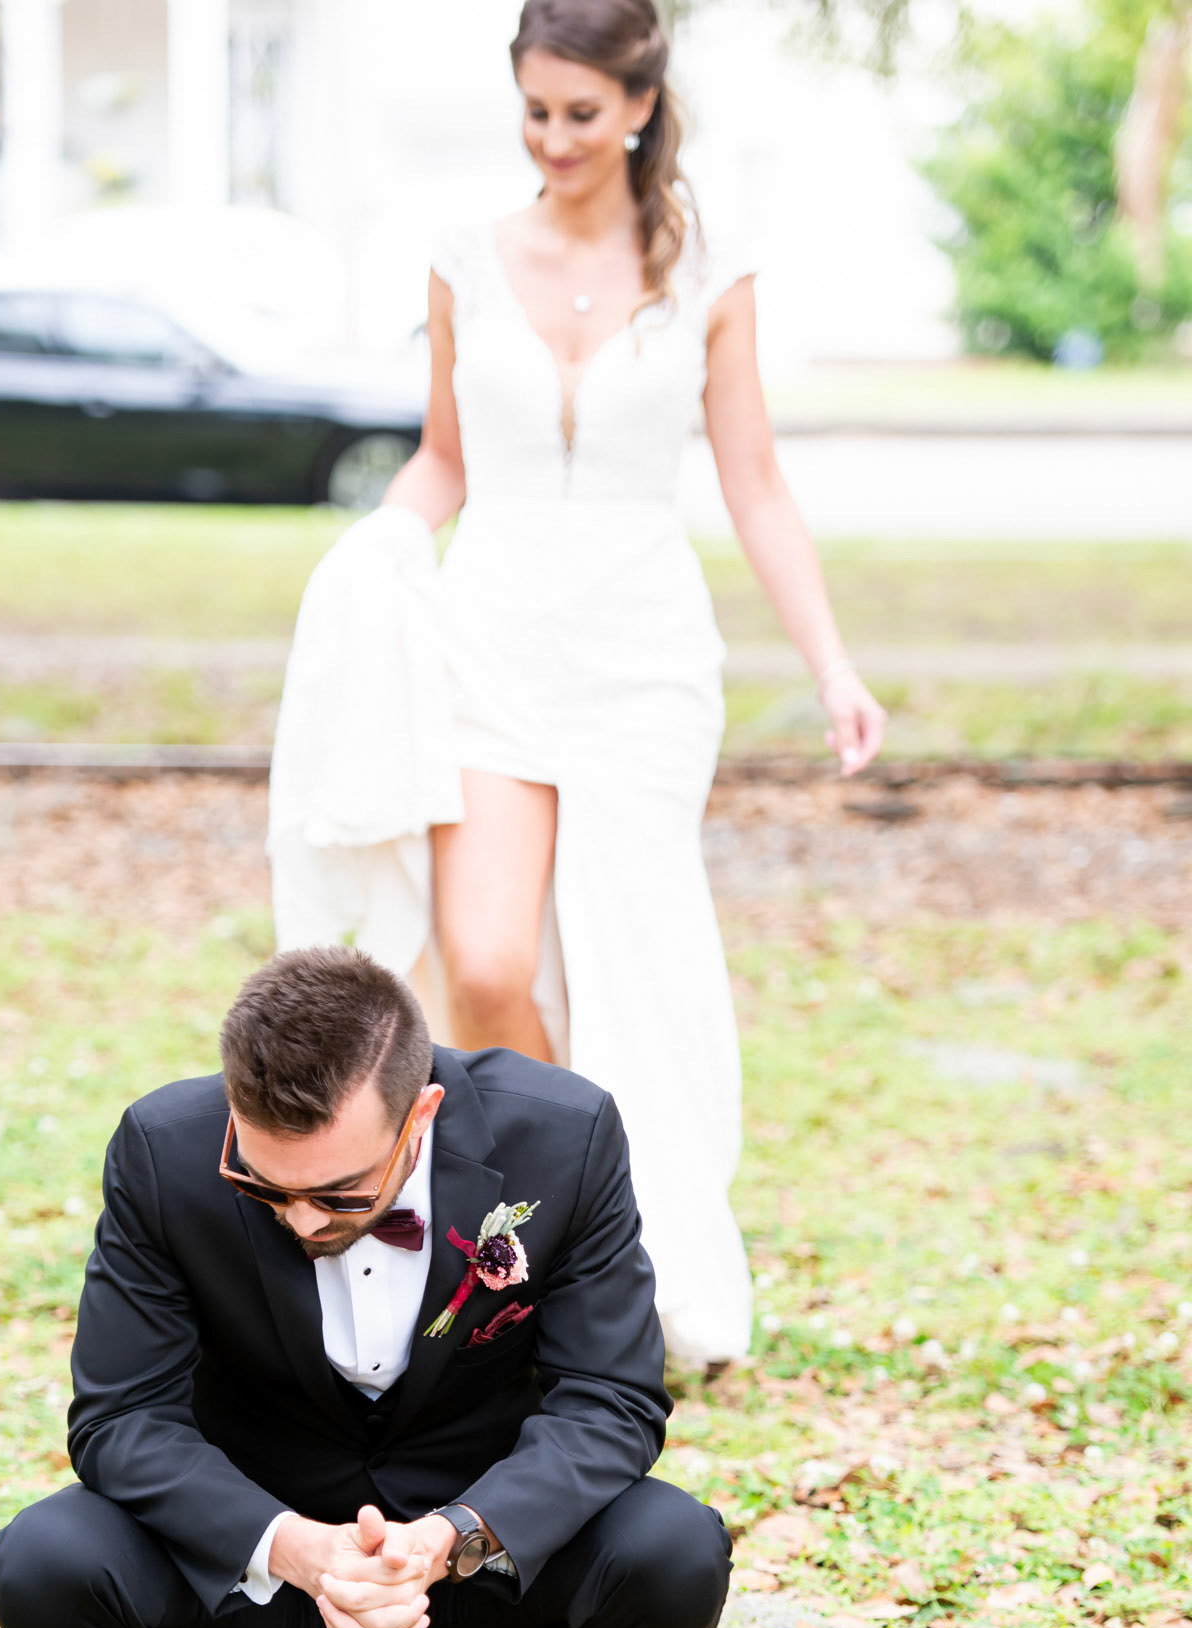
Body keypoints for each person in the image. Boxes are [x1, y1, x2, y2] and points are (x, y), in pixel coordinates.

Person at [268, 0, 886, 1369]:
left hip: (643, 660)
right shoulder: (462, 258)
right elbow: (444, 458)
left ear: (641, 109)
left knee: (633, 975)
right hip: (484, 638)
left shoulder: (710, 271)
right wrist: (378, 543)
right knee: (484, 963)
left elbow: (756, 483)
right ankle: (544, 1253)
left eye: (581, 114)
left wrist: (832, 664)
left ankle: (619, 1275)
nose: (553, 140)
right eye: (534, 112)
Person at [0, 947, 730, 1628]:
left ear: (422, 1111)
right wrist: (295, 1547)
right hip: (251, 1581)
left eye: (338, 1194)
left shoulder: (563, 1135)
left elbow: (611, 1400)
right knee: (46, 1559)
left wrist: (455, 1537)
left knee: (672, 1548)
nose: (299, 1222)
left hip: (471, 1582)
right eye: (267, 1189)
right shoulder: (161, 1148)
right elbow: (120, 1417)